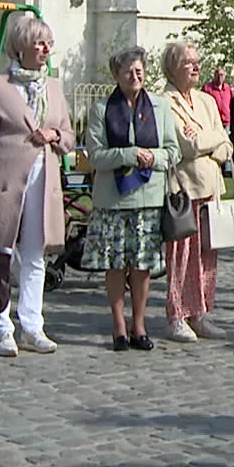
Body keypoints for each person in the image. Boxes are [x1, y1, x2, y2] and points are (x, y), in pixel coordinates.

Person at [0, 16, 74, 357]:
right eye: (39, 43)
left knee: (35, 255)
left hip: (44, 182)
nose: (45, 50)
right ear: (22, 47)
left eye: (48, 43)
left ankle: (32, 324)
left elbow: (69, 136)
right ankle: (0, 327)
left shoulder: (54, 87)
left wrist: (54, 135)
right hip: (4, 183)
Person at [84, 46, 180, 352]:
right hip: (112, 200)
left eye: (139, 71)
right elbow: (96, 156)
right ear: (116, 75)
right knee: (115, 266)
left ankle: (139, 325)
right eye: (128, 72)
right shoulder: (101, 109)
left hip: (148, 199)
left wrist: (154, 156)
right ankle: (119, 326)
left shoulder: (160, 107)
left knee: (142, 267)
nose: (135, 76)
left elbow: (173, 151)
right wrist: (128, 154)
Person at [162, 40, 234, 342]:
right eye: (188, 61)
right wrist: (212, 139)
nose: (196, 66)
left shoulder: (206, 101)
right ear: (173, 67)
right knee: (182, 256)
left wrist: (212, 139)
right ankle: (177, 313)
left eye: (197, 60)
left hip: (211, 187)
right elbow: (185, 145)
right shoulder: (164, 101)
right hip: (184, 190)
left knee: (207, 254)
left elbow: (227, 147)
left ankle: (201, 311)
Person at [202, 65, 234, 130]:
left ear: (225, 76)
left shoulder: (227, 88)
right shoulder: (207, 88)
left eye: (222, 75)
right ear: (214, 76)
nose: (220, 77)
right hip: (214, 122)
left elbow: (232, 104)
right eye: (218, 75)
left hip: (226, 122)